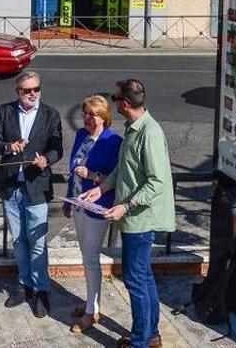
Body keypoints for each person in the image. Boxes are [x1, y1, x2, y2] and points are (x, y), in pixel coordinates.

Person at [78, 79, 174, 348]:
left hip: (140, 219)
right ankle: (151, 335)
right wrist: (102, 188)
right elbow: (125, 169)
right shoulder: (133, 128)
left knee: (134, 280)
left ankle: (141, 341)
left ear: (124, 104)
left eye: (115, 97)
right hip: (133, 215)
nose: (113, 101)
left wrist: (126, 206)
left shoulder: (149, 133)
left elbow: (157, 181)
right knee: (143, 277)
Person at [0, 71, 64, 318]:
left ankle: (41, 289)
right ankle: (24, 285)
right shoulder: (5, 111)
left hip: (36, 186)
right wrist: (9, 147)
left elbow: (57, 147)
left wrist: (47, 159)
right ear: (18, 92)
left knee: (38, 241)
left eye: (36, 89)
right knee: (19, 240)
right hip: (11, 187)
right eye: (27, 90)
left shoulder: (51, 114)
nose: (33, 94)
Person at [62, 95, 123, 334]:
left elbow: (114, 178)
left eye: (92, 114)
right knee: (86, 258)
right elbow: (72, 170)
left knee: (90, 258)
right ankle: (90, 302)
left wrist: (91, 175)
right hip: (78, 203)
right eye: (85, 113)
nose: (86, 118)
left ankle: (92, 311)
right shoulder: (80, 136)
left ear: (104, 117)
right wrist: (69, 198)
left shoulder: (113, 141)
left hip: (98, 207)